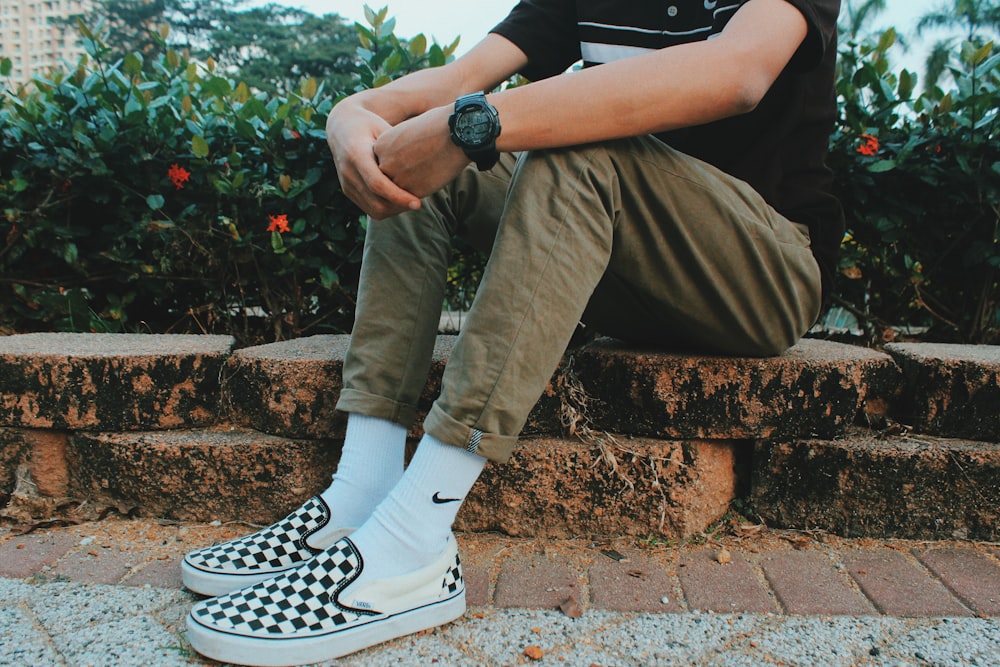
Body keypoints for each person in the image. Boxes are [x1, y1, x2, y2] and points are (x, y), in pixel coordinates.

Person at [182, 0, 844, 664]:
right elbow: (457, 79)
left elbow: (737, 71)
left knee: (573, 138)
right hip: (625, 268)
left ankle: (413, 546)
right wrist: (350, 116)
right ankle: (363, 487)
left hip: (762, 274)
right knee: (418, 157)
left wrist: (476, 121)